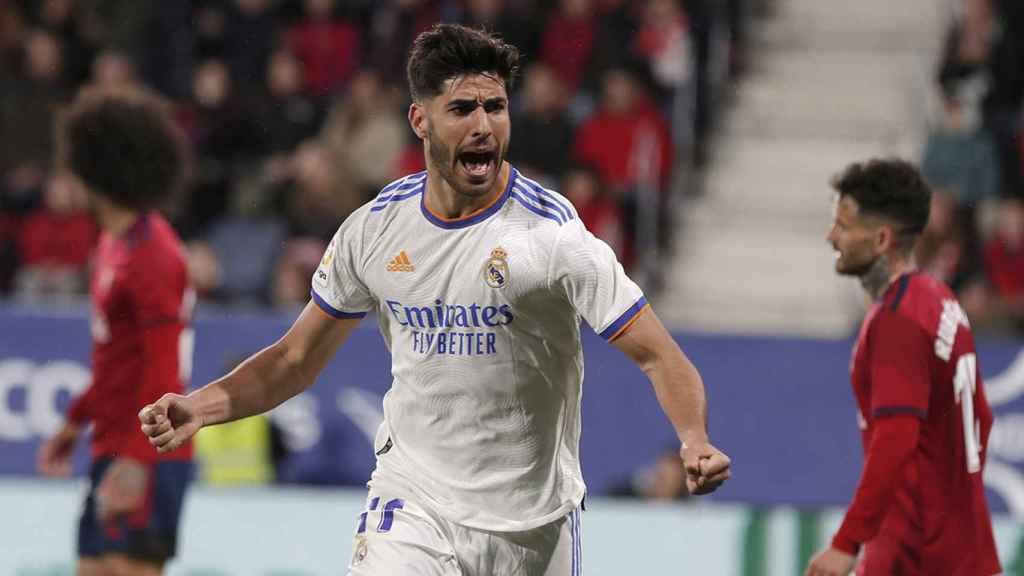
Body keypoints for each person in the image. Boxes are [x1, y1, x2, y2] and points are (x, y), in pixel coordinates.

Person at [139, 24, 730, 575]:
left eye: (495, 107)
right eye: (462, 109)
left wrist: (694, 438)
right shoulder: (374, 231)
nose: (483, 126)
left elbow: (657, 353)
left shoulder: (552, 238)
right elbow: (295, 359)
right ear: (420, 120)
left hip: (535, 526)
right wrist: (203, 407)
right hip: (413, 504)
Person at [806, 158, 1001, 576]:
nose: (831, 237)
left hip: (914, 557)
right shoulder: (940, 300)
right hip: (966, 553)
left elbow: (895, 440)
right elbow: (981, 420)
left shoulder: (898, 322)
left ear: (880, 239)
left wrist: (846, 543)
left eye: (843, 225)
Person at [36, 86, 194, 576]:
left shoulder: (152, 254)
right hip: (113, 446)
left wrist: (137, 460)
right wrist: (74, 421)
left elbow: (163, 366)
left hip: (148, 453)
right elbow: (116, 360)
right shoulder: (113, 244)